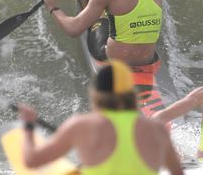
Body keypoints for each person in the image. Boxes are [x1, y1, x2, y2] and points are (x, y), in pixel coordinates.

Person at [18, 60, 184, 174]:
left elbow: (32, 161)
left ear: (95, 93)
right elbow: (177, 172)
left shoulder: (80, 125)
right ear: (131, 93)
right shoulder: (156, 129)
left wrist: (29, 126)